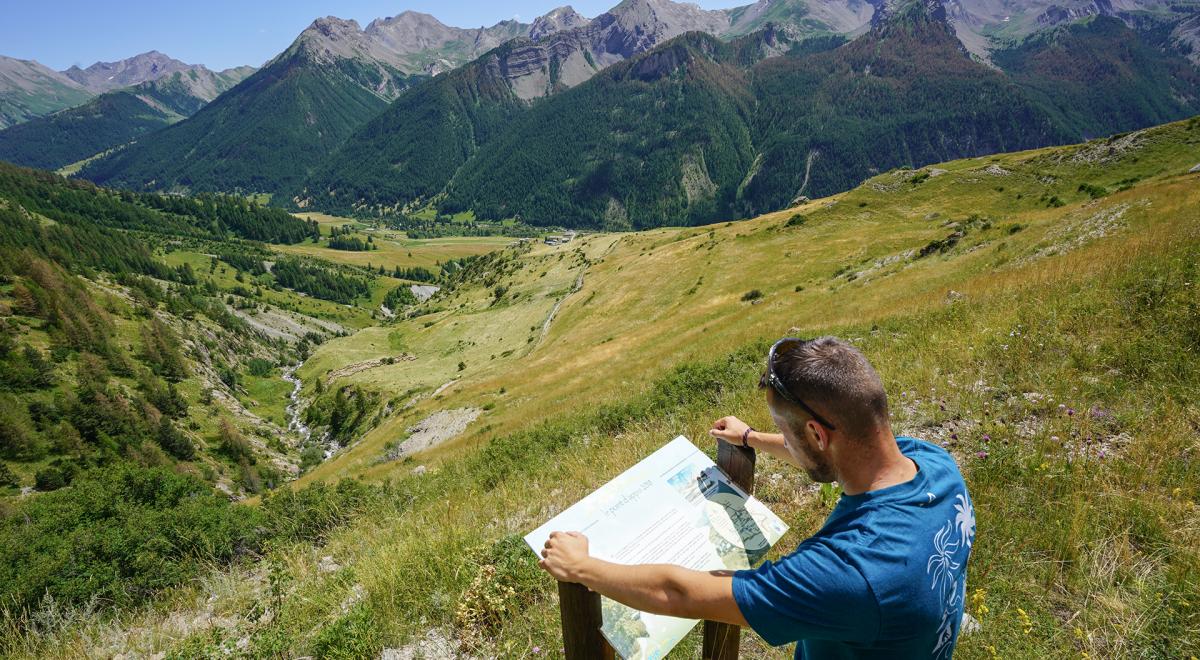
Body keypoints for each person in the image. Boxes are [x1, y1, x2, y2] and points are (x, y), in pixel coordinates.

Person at [538, 336, 975, 658]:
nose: (785, 438)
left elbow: (679, 594)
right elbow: (832, 452)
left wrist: (582, 567)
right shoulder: (934, 464)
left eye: (787, 431)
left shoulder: (847, 572)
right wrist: (749, 437)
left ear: (817, 434)